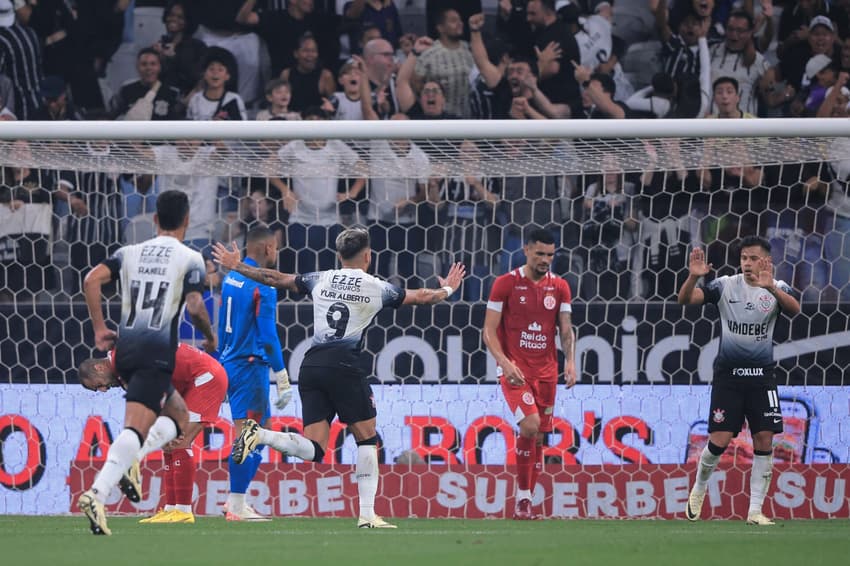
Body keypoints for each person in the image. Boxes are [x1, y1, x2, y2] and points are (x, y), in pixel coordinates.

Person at [212, 227, 466, 528]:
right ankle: (367, 515)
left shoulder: (321, 277)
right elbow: (424, 297)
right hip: (346, 366)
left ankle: (261, 435)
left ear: (338, 256)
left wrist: (237, 265)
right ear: (369, 256)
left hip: (311, 366)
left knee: (315, 448)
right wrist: (449, 288)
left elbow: (275, 278)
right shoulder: (376, 286)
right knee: (367, 437)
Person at [78, 189, 217, 536]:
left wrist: (98, 329)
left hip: (125, 351)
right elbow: (197, 306)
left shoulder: (128, 253)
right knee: (137, 432)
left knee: (180, 417)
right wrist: (209, 337)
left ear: (154, 220)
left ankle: (111, 481)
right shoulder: (190, 257)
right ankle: (106, 484)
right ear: (187, 220)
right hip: (157, 351)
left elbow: (91, 279)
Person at [678, 237, 800, 525]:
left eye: (753, 258)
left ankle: (755, 511)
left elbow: (795, 309)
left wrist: (770, 287)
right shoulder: (725, 285)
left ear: (766, 261)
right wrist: (693, 277)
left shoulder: (777, 288)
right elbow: (685, 300)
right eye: (744, 257)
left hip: (762, 378)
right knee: (719, 441)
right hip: (728, 378)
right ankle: (698, 488)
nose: (747, 263)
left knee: (764, 438)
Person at [482, 228, 576, 520]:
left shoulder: (560, 287)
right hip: (515, 370)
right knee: (531, 425)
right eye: (540, 254)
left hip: (547, 372)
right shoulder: (505, 284)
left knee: (537, 438)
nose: (545, 259)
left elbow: (565, 328)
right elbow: (488, 330)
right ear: (526, 251)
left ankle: (526, 502)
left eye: (550, 254)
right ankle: (523, 499)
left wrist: (570, 360)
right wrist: (504, 362)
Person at [78, 342, 228, 524]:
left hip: (204, 378)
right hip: (186, 383)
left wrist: (174, 421)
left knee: (180, 442)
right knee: (168, 444)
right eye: (97, 389)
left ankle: (183, 511)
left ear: (99, 367)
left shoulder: (125, 361)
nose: (102, 390)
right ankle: (171, 508)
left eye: (97, 385)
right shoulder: (122, 368)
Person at [218, 226, 291, 522]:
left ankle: (238, 502)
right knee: (249, 437)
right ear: (269, 249)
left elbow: (222, 323)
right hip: (250, 367)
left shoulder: (231, 277)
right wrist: (282, 376)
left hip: (230, 363)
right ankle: (235, 504)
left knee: (259, 436)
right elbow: (269, 336)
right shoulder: (265, 285)